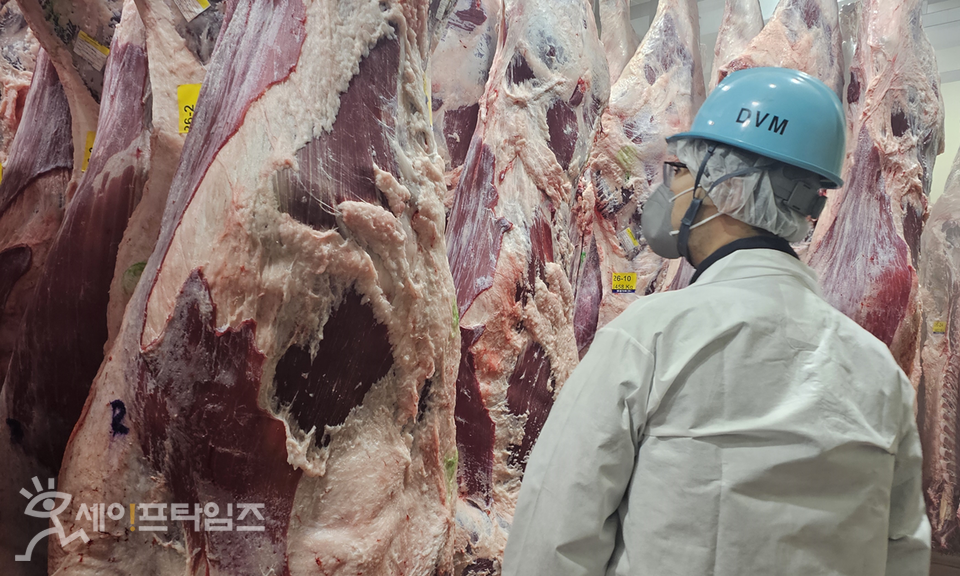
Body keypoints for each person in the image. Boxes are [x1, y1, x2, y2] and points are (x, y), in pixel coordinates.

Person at [501, 67, 930, 576]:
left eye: (681, 170)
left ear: (723, 186)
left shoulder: (649, 340)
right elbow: (903, 554)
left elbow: (549, 546)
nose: (667, 188)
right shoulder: (879, 375)